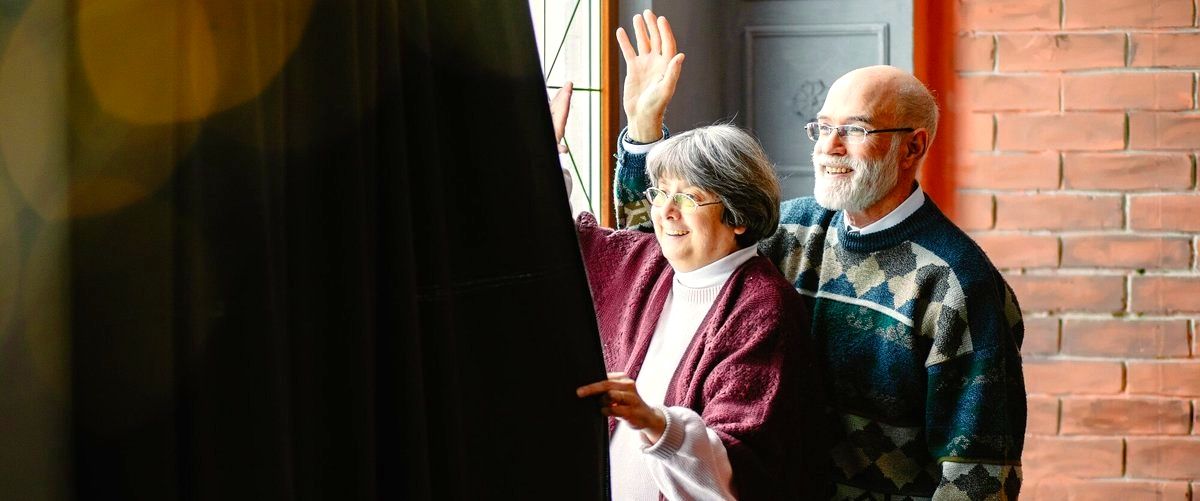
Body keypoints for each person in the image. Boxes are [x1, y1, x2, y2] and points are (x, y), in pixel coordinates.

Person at [611, 10, 1027, 500]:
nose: (829, 147)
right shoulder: (791, 230)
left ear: (912, 147)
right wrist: (643, 126)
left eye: (854, 130)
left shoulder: (957, 284)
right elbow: (655, 251)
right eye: (822, 127)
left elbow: (979, 478)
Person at [551, 83, 826, 499]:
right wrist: (542, 160)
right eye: (660, 193)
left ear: (739, 216)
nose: (665, 211)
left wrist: (652, 420)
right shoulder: (644, 261)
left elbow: (740, 473)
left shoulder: (763, 309)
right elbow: (552, 246)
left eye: (689, 197)